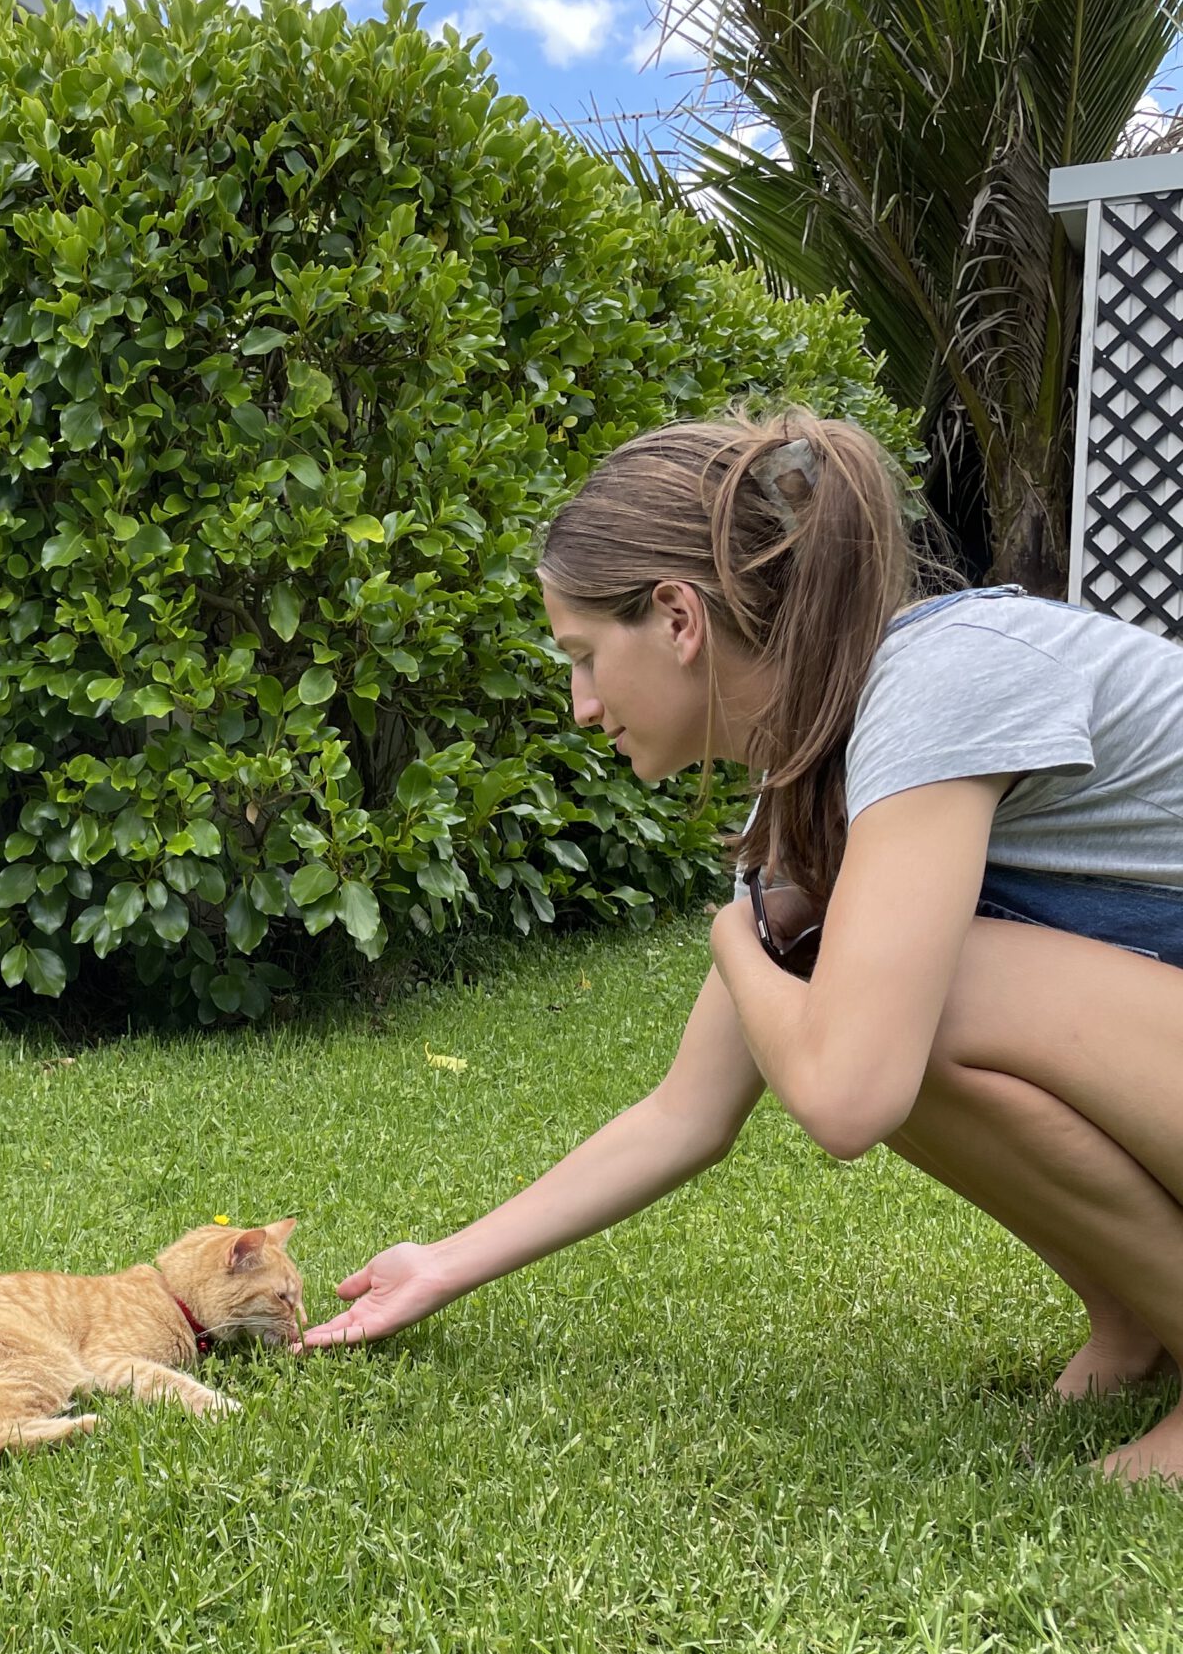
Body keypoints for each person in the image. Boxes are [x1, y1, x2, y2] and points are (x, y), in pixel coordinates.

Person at [305, 410, 1183, 1481]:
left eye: (583, 656)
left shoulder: (937, 687)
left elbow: (846, 1094)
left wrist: (737, 941)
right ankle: (1134, 1316)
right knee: (854, 995)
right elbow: (688, 1109)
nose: (580, 707)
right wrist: (442, 1263)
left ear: (677, 617)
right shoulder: (819, 766)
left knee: (888, 1009)